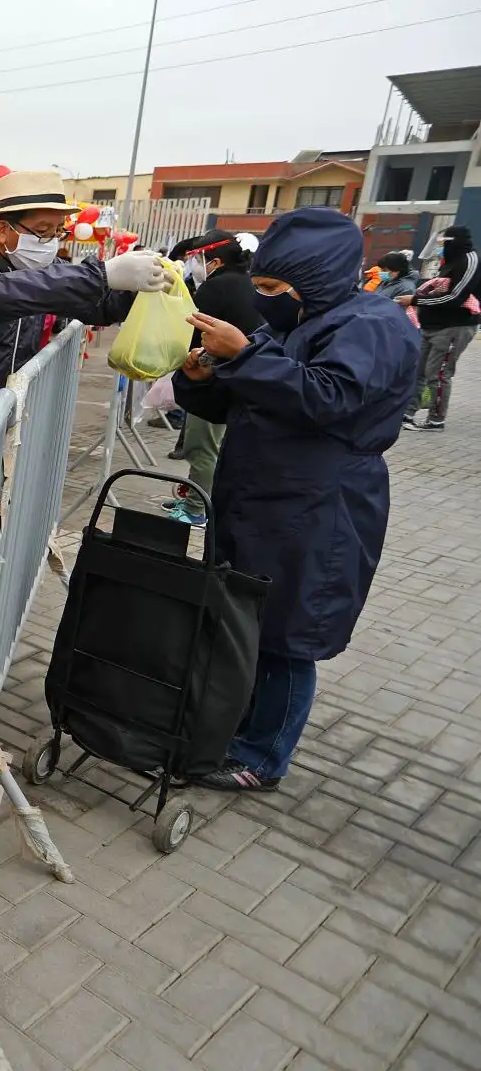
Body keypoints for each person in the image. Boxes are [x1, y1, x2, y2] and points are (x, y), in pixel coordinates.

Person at [175, 208, 419, 791]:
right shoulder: (293, 323)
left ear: (316, 280)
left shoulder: (372, 325)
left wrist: (244, 357)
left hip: (318, 502)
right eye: (259, 287)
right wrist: (202, 380)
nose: (263, 301)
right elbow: (252, 398)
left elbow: (330, 398)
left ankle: (262, 757)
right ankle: (229, 729)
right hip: (261, 495)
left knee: (287, 634)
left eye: (272, 290)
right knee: (243, 620)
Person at [0, 169, 173, 543]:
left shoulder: (40, 265)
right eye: (42, 230)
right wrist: (101, 274)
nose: (50, 242)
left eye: (58, 231)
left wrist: (140, 287)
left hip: (1, 408)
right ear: (4, 229)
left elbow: (97, 306)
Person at [163, 230, 264, 524]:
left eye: (197, 259)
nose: (194, 265)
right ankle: (199, 499)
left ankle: (196, 509)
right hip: (238, 376)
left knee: (202, 447)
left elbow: (189, 332)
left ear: (215, 261)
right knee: (213, 447)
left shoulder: (217, 288)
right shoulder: (243, 283)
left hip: (216, 377)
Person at [403, 225, 478, 432]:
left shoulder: (469, 261)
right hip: (431, 326)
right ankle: (408, 412)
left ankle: (435, 419)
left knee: (437, 374)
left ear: (454, 242)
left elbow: (455, 296)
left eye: (443, 244)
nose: (440, 249)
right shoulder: (450, 262)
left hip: (453, 327)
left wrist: (416, 300)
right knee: (419, 372)